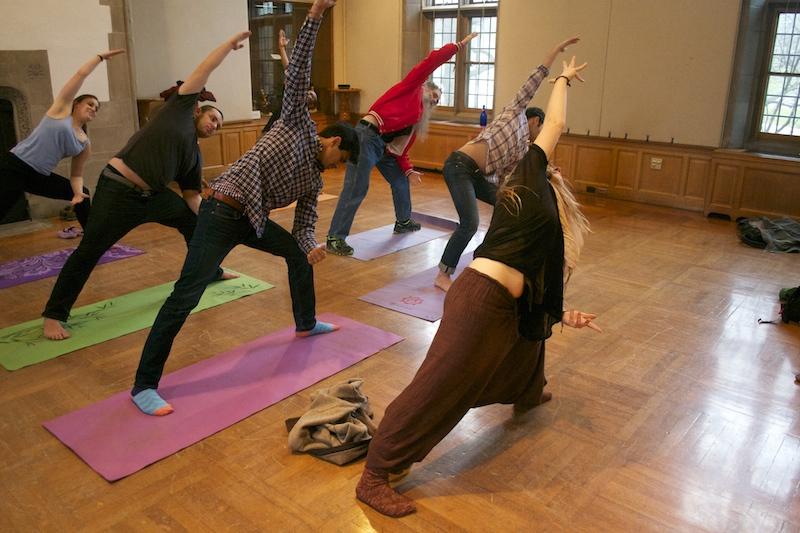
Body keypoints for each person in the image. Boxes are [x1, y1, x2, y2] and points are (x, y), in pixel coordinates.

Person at [355, 56, 599, 518]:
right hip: (479, 300)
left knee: (530, 338)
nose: (558, 167)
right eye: (552, 161)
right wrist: (563, 78)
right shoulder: (528, 174)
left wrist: (563, 314)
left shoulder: (544, 205)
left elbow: (537, 285)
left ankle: (528, 391)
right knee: (442, 384)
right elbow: (558, 122)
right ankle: (375, 472)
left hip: (507, 305)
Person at [129, 0, 353, 417]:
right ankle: (143, 385)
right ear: (334, 143)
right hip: (220, 213)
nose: (336, 169)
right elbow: (299, 71)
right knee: (186, 295)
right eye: (340, 161)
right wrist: (316, 16)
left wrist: (310, 246)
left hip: (251, 219)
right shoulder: (295, 124)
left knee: (296, 256)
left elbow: (305, 224)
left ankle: (306, 322)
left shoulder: (315, 179)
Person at [40, 32, 250, 341]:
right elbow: (203, 69)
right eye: (212, 117)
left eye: (219, 124)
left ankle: (210, 271)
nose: (214, 125)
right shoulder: (177, 110)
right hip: (118, 190)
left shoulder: (194, 154)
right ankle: (54, 315)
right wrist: (226, 48)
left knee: (194, 223)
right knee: (90, 250)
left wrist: (208, 219)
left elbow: (191, 195)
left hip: (153, 197)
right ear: (198, 110)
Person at [434, 37, 579, 292]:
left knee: (509, 205)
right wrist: (555, 50)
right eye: (541, 127)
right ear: (535, 121)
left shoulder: (523, 149)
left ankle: (488, 259)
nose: (540, 133)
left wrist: (548, 176)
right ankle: (443, 275)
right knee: (470, 222)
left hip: (477, 175)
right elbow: (535, 79)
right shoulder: (515, 112)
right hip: (459, 166)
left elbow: (509, 179)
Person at [325, 31, 479, 256]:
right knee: (357, 187)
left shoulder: (415, 120)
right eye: (434, 94)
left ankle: (403, 221)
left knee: (400, 182)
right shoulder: (412, 87)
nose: (434, 100)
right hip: (367, 137)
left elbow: (400, 151)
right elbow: (430, 62)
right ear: (425, 88)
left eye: (437, 101)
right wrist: (457, 47)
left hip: (382, 147)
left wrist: (408, 171)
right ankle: (335, 237)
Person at [0, 50, 125, 233]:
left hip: (39, 175)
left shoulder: (85, 143)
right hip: (14, 166)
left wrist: (75, 192)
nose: (93, 109)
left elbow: (76, 175)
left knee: (84, 194)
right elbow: (80, 74)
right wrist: (99, 58)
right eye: (90, 104)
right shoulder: (59, 112)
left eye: (96, 108)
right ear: (76, 104)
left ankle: (91, 239)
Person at [261, 29, 318, 135]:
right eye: (309, 93)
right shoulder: (295, 90)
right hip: (275, 123)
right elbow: (288, 68)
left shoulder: (303, 114)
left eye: (312, 97)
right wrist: (282, 48)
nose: (309, 95)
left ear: (311, 106)